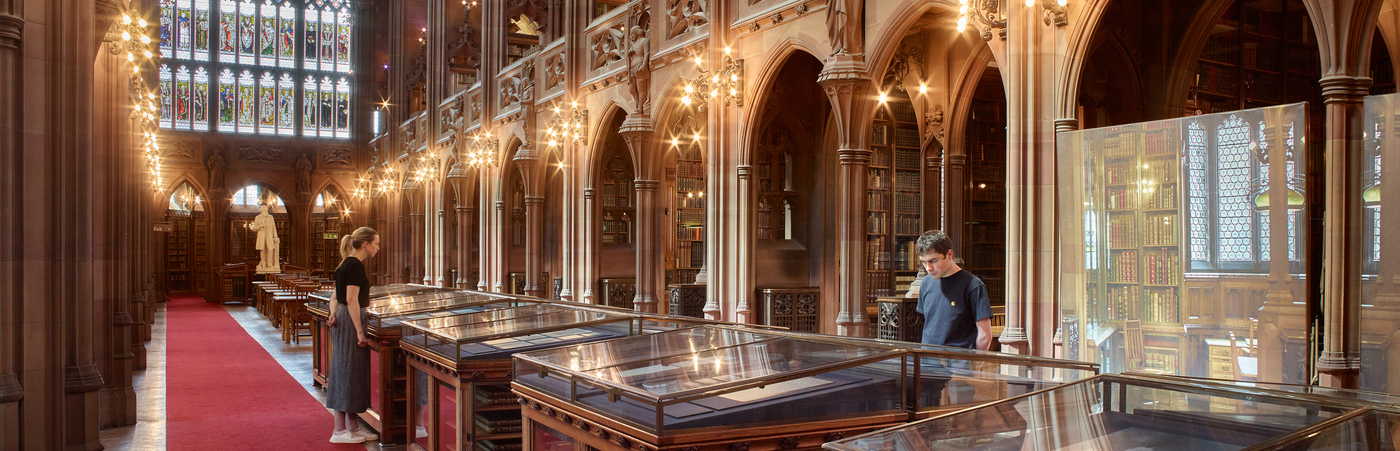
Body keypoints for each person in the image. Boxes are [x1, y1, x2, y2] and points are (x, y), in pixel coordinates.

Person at [326, 226, 381, 444]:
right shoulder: (355, 265)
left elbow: (335, 297)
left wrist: (332, 314)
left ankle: (352, 426)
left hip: (342, 316)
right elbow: (350, 300)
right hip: (350, 320)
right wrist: (360, 331)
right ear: (365, 244)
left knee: (349, 371)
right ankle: (339, 431)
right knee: (347, 372)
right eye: (375, 243)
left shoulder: (346, 263)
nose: (377, 248)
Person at [915, 230, 992, 350]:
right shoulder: (925, 282)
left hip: (959, 363)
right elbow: (930, 325)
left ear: (949, 254)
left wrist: (974, 366)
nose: (928, 268)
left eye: (934, 261)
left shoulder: (973, 285)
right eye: (924, 262)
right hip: (927, 360)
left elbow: (985, 336)